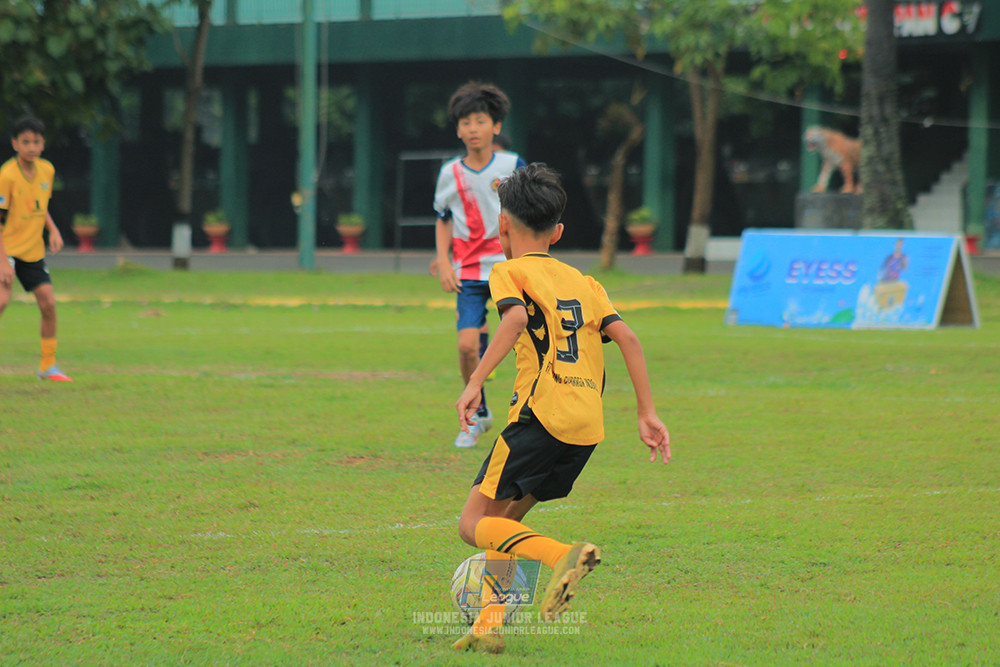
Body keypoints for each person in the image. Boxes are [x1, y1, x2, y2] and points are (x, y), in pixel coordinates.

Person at [451, 163, 671, 653]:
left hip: (538, 416)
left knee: (471, 524)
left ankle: (561, 556)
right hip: (585, 427)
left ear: (502, 225)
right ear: (559, 231)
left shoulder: (509, 270)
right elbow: (629, 338)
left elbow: (510, 320)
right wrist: (646, 413)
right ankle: (489, 624)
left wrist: (475, 382)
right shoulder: (585, 282)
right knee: (504, 523)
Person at [434, 81, 525, 448]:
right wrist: (443, 261)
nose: (473, 128)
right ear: (458, 129)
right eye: (465, 122)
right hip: (469, 272)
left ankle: (531, 417)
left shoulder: (511, 165)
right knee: (467, 346)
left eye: (480, 121)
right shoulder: (449, 173)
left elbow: (526, 214)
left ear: (496, 127)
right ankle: (476, 416)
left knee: (527, 342)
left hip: (509, 268)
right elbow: (442, 217)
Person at [0, 116, 72, 382]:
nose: (31, 147)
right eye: (26, 142)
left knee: (49, 304)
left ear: (43, 145)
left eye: (36, 142)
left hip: (32, 251)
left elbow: (39, 205)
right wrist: (2, 262)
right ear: (15, 144)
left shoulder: (47, 171)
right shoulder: (6, 175)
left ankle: (48, 366)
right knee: (1, 301)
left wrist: (52, 230)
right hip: (5, 249)